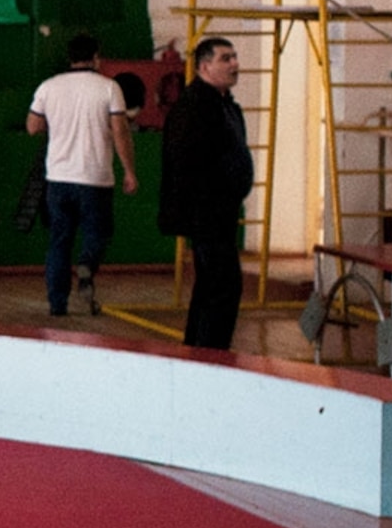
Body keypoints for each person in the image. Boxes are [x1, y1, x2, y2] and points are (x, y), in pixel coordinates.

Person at [24, 33, 136, 317]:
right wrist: (129, 171)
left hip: (59, 178)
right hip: (95, 177)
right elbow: (121, 132)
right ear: (96, 57)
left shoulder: (49, 87)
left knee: (59, 241)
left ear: (69, 57)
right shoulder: (110, 88)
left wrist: (59, 125)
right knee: (98, 233)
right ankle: (86, 263)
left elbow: (32, 127)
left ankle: (57, 304)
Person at [156, 37, 257, 350]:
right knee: (222, 287)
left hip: (221, 213)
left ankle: (203, 352)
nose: (234, 64)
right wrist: (208, 203)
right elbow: (187, 164)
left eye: (235, 57)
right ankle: (210, 355)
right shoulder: (194, 108)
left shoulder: (224, 105)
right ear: (204, 66)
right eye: (226, 58)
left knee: (213, 287)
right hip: (207, 213)